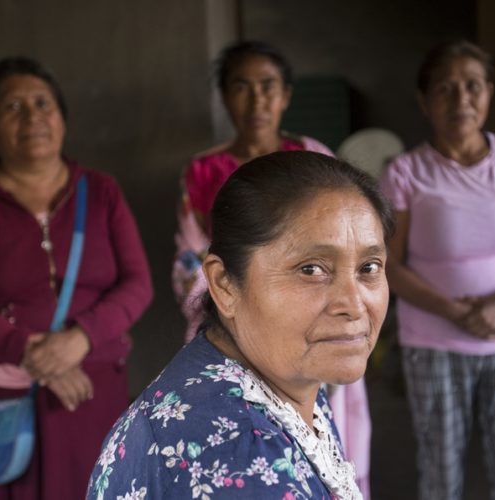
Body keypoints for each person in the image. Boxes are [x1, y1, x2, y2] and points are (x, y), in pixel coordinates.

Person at [89, 151, 394, 499]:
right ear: (224, 285)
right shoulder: (239, 457)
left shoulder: (281, 380)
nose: (353, 305)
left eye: (369, 268)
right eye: (311, 269)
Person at [0, 57, 153, 500]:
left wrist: (78, 340)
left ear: (62, 120)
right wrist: (32, 354)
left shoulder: (101, 191)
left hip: (89, 390)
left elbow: (137, 284)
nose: (32, 117)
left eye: (43, 104)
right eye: (13, 107)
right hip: (1, 395)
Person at [171, 40, 373, 496]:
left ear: (285, 96)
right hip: (238, 324)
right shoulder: (204, 172)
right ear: (225, 97)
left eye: (268, 87)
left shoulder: (313, 155)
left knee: (327, 449)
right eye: (241, 87)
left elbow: (341, 242)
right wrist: (240, 307)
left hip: (315, 319)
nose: (257, 99)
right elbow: (190, 258)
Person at [379, 40, 495, 500]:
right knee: (441, 475)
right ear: (425, 102)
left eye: (472, 86)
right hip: (435, 343)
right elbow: (389, 264)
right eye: (445, 89)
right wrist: (455, 311)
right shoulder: (405, 172)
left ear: (489, 94)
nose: (461, 99)